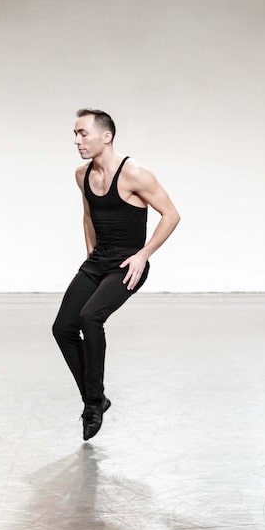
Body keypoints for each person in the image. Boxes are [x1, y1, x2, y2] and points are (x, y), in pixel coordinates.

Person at [52, 108, 180, 440]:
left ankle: (92, 403)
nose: (77, 141)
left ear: (105, 137)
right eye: (75, 134)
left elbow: (171, 215)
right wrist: (89, 255)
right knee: (62, 328)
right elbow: (87, 217)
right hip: (98, 262)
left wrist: (143, 255)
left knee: (90, 317)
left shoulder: (135, 174)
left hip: (127, 264)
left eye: (83, 133)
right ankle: (96, 397)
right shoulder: (82, 175)